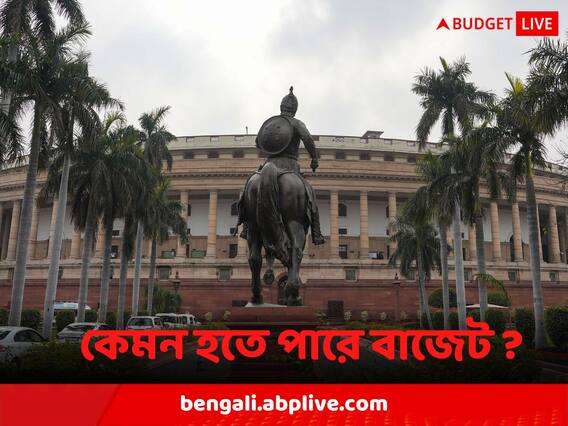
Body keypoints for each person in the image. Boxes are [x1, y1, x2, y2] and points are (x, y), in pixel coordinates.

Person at [237, 87, 325, 245]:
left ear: (281, 107)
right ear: (295, 110)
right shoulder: (296, 123)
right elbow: (307, 138)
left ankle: (246, 227)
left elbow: (258, 143)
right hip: (289, 165)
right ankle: (317, 233)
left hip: (268, 163)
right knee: (310, 195)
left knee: (248, 187)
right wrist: (314, 158)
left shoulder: (272, 123)